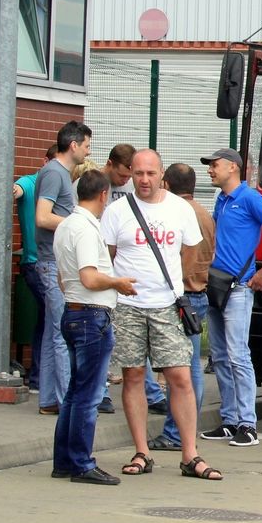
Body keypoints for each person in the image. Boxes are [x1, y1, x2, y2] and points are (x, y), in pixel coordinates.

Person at [101, 149, 221, 480]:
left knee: (180, 377)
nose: (143, 180)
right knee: (134, 376)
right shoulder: (117, 210)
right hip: (128, 307)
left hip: (167, 304)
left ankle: (190, 455)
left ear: (161, 174)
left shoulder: (179, 209)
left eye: (150, 174)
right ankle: (142, 451)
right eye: (138, 173)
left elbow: (192, 249)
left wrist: (174, 283)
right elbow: (107, 254)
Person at [200, 148, 262, 448]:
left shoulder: (250, 198)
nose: (211, 170)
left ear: (233, 168)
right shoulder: (222, 200)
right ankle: (229, 421)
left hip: (238, 288)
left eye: (215, 165)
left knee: (238, 355)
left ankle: (247, 424)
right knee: (221, 355)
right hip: (218, 286)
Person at [50, 169, 137, 485]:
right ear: (103, 195)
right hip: (91, 316)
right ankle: (82, 463)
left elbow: (64, 278)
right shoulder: (86, 230)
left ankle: (64, 460)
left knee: (75, 392)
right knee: (88, 396)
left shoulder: (66, 226)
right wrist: (118, 282)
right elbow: (89, 277)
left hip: (73, 311)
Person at [97, 143, 167, 416]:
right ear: (112, 164)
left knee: (135, 351)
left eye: (134, 175)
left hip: (134, 285)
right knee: (110, 341)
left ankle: (150, 392)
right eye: (129, 174)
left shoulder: (131, 192)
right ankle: (101, 392)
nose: (131, 181)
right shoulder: (96, 185)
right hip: (113, 279)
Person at [148, 163, 212, 452]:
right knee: (190, 367)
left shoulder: (179, 213)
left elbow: (181, 259)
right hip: (199, 293)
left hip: (182, 296)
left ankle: (176, 433)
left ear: (168, 184)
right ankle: (182, 431)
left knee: (182, 370)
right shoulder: (204, 213)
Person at [32, 120, 93, 415]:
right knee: (60, 333)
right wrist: (77, 224)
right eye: (86, 145)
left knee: (52, 333)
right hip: (53, 262)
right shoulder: (55, 173)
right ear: (73, 145)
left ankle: (48, 400)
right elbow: (43, 218)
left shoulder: (55, 172)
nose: (88, 151)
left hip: (52, 260)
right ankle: (68, 402)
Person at [13, 145, 56, 392]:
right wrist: (13, 191)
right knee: (54, 317)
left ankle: (39, 376)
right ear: (44, 162)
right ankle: (41, 377)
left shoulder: (62, 186)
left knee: (47, 318)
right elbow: (18, 189)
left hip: (52, 263)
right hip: (35, 263)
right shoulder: (30, 183)